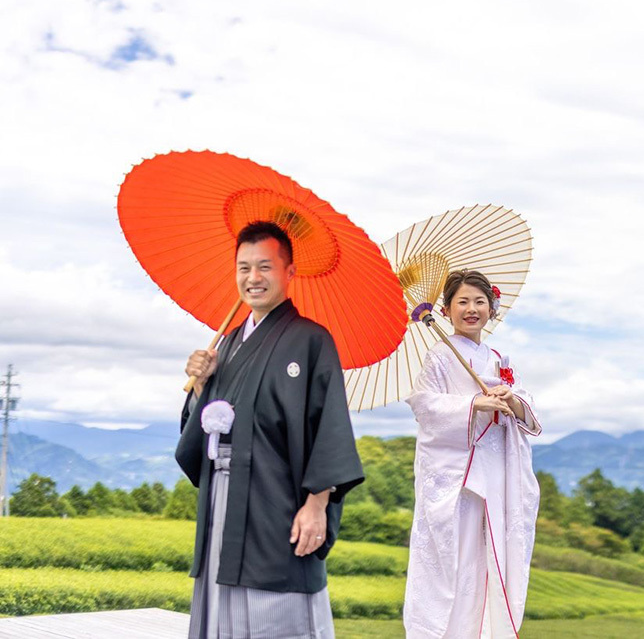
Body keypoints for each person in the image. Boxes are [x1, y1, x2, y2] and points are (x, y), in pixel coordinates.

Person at [175, 221, 364, 639]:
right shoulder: (224, 345)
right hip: (223, 499)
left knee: (276, 608)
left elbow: (329, 426)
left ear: (289, 273)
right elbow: (199, 437)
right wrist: (201, 385)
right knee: (219, 604)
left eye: (265, 267)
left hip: (278, 501)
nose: (253, 278)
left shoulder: (312, 341)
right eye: (244, 268)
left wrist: (317, 505)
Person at [403, 269, 542, 638]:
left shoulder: (498, 357)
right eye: (462, 301)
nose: (471, 309)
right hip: (459, 476)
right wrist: (473, 404)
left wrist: (511, 398)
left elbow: (525, 405)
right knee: (457, 561)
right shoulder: (440, 356)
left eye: (479, 301)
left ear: (492, 308)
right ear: (446, 310)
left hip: (496, 470)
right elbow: (424, 405)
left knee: (492, 556)